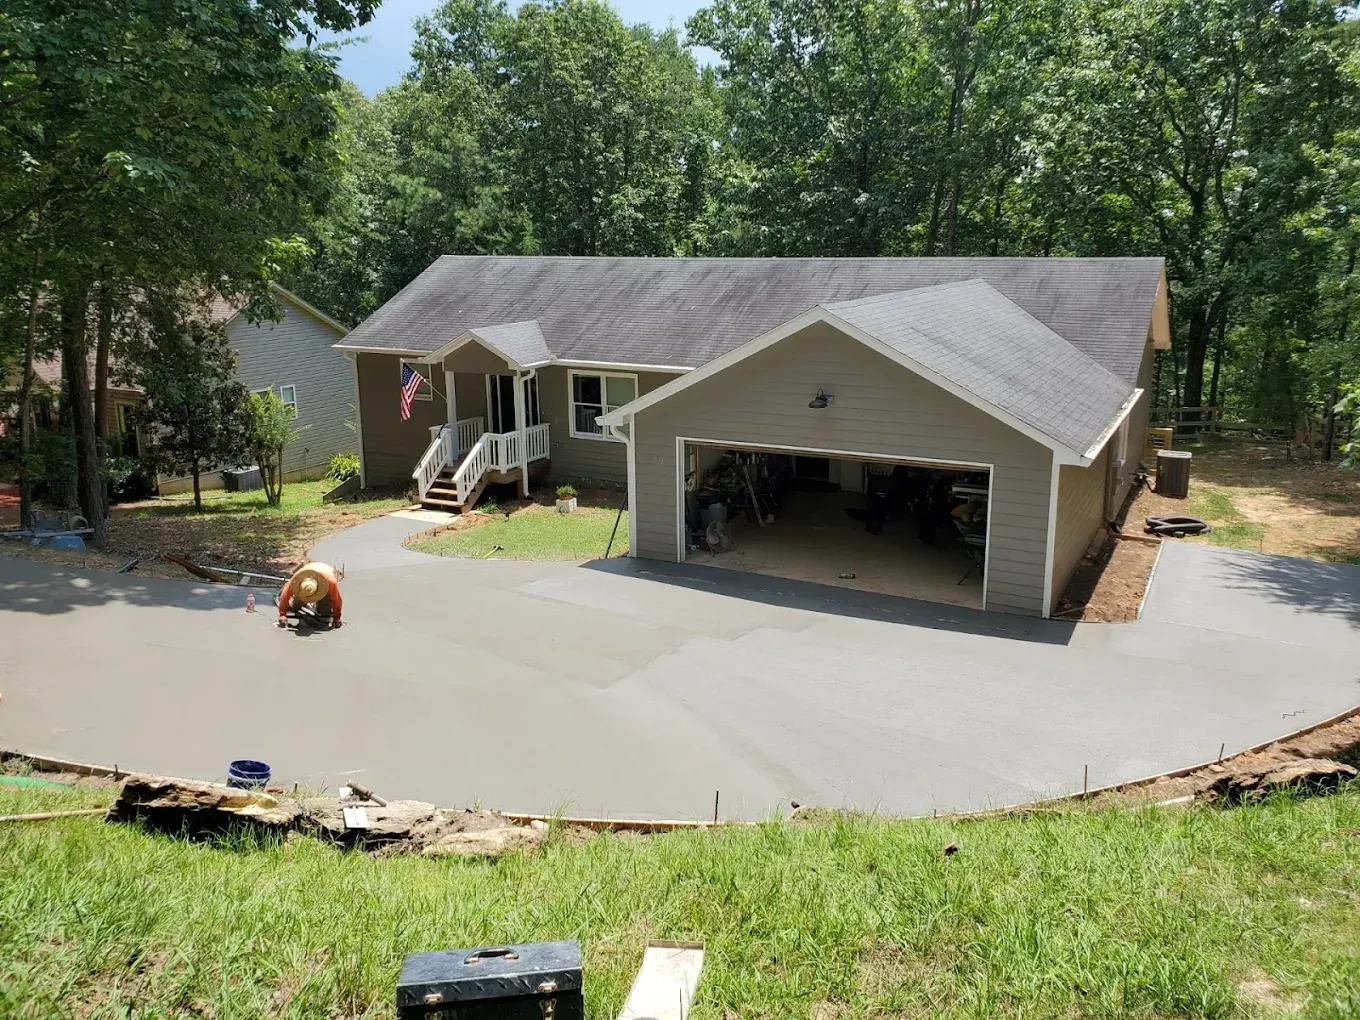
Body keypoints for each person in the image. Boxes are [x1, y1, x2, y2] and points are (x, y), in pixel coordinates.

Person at [277, 562, 343, 628]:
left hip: (325, 574)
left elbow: (336, 600)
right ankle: (299, 600)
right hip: (310, 569)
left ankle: (322, 606)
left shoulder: (330, 582)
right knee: (293, 607)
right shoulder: (297, 579)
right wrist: (282, 614)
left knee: (325, 612)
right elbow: (285, 595)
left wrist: (337, 617)